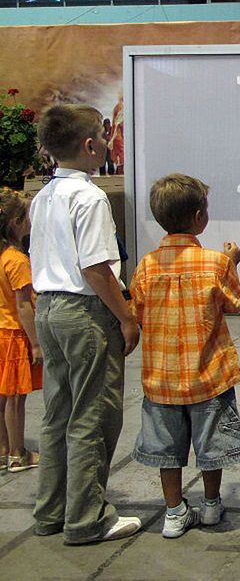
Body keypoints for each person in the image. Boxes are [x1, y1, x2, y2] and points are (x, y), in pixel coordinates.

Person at [29, 104, 141, 544]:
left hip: (49, 310)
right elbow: (96, 267)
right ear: (91, 145)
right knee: (93, 415)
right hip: (83, 311)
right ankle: (87, 518)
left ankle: (51, 511)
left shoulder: (43, 196)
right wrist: (126, 317)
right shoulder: (90, 196)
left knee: (58, 414)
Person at [130, 174, 240, 539]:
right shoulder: (215, 263)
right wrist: (232, 262)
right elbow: (235, 303)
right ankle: (211, 504)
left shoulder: (146, 265)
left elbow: (138, 310)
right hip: (209, 376)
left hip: (161, 379)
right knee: (212, 446)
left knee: (168, 451)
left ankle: (174, 510)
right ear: (200, 217)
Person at [0, 188, 42, 473]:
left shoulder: (3, 256)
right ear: (16, 222)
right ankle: (18, 453)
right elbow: (24, 304)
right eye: (26, 217)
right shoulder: (17, 260)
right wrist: (36, 343)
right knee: (16, 397)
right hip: (14, 334)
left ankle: (4, 449)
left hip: (2, 331)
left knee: (3, 396)